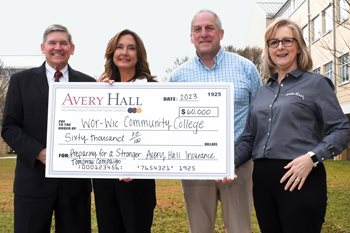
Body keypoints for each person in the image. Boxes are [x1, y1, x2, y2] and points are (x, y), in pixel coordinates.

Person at [235, 18, 350, 233]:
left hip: (301, 178)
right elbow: (249, 138)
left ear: (298, 47)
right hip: (262, 183)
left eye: (287, 41)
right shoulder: (262, 92)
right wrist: (227, 163)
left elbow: (342, 129)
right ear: (268, 49)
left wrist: (313, 157)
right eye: (274, 42)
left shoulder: (316, 84)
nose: (280, 47)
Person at [169, 10, 262, 233]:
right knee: (199, 228)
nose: (203, 34)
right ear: (191, 36)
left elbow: (259, 115)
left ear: (220, 33)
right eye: (197, 29)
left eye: (209, 28)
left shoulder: (246, 68)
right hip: (195, 164)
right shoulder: (178, 76)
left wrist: (241, 155)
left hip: (238, 162)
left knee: (240, 228)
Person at [1, 24, 95, 233]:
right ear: (42, 47)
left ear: (72, 48)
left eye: (63, 43)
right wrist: (39, 153)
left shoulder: (89, 83)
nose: (57, 47)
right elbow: (9, 127)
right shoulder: (20, 81)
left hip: (74, 187)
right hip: (32, 181)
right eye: (52, 43)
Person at [92, 29, 157, 233]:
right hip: (105, 179)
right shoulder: (100, 87)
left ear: (139, 55)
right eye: (119, 47)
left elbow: (159, 134)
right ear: (112, 53)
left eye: (131, 48)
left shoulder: (153, 88)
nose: (124, 52)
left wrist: (137, 165)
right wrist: (96, 97)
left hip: (138, 181)